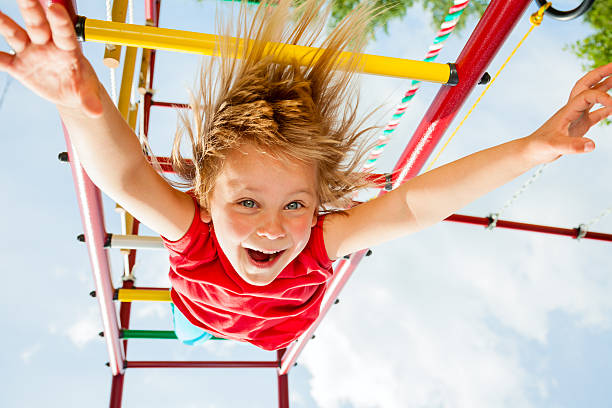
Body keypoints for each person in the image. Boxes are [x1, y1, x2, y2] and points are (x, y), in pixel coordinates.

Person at [0, 0, 610, 351]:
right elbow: (127, 174)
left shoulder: (315, 238)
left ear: (318, 205)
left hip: (270, 330)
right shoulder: (198, 232)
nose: (273, 227)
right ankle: (203, 335)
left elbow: (413, 206)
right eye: (248, 204)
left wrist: (532, 148)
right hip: (203, 316)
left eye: (296, 205)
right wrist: (79, 104)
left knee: (212, 335)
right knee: (194, 334)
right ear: (205, 200)